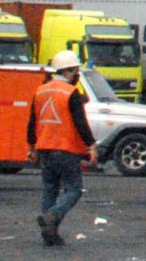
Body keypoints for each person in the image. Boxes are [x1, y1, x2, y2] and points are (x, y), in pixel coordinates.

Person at [30, 50, 97, 247]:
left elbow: (32, 122)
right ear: (67, 71)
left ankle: (49, 234)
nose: (77, 75)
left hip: (44, 148)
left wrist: (31, 147)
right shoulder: (70, 92)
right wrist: (91, 146)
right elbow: (80, 123)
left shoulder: (41, 91)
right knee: (74, 189)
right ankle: (52, 216)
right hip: (65, 149)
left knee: (50, 189)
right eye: (76, 71)